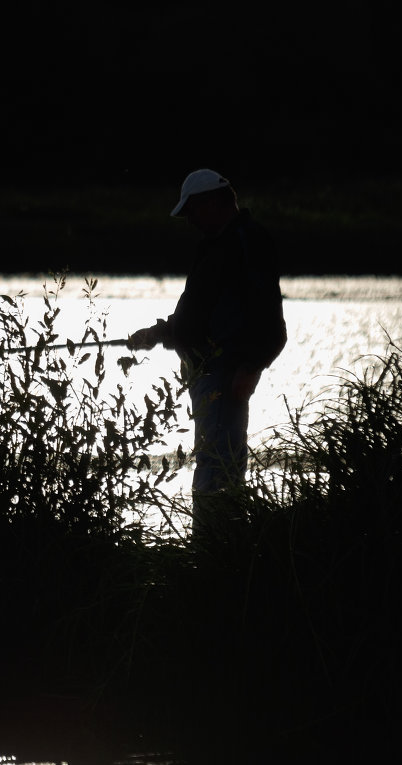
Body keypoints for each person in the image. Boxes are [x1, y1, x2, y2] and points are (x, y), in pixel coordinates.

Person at [128, 169, 287, 533]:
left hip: (227, 376)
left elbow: (270, 321)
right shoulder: (217, 243)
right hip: (207, 376)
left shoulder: (247, 241)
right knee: (214, 466)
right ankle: (217, 551)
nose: (191, 221)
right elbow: (198, 313)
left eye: (193, 211)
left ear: (216, 202)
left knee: (217, 472)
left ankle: (214, 551)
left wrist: (251, 368)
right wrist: (159, 333)